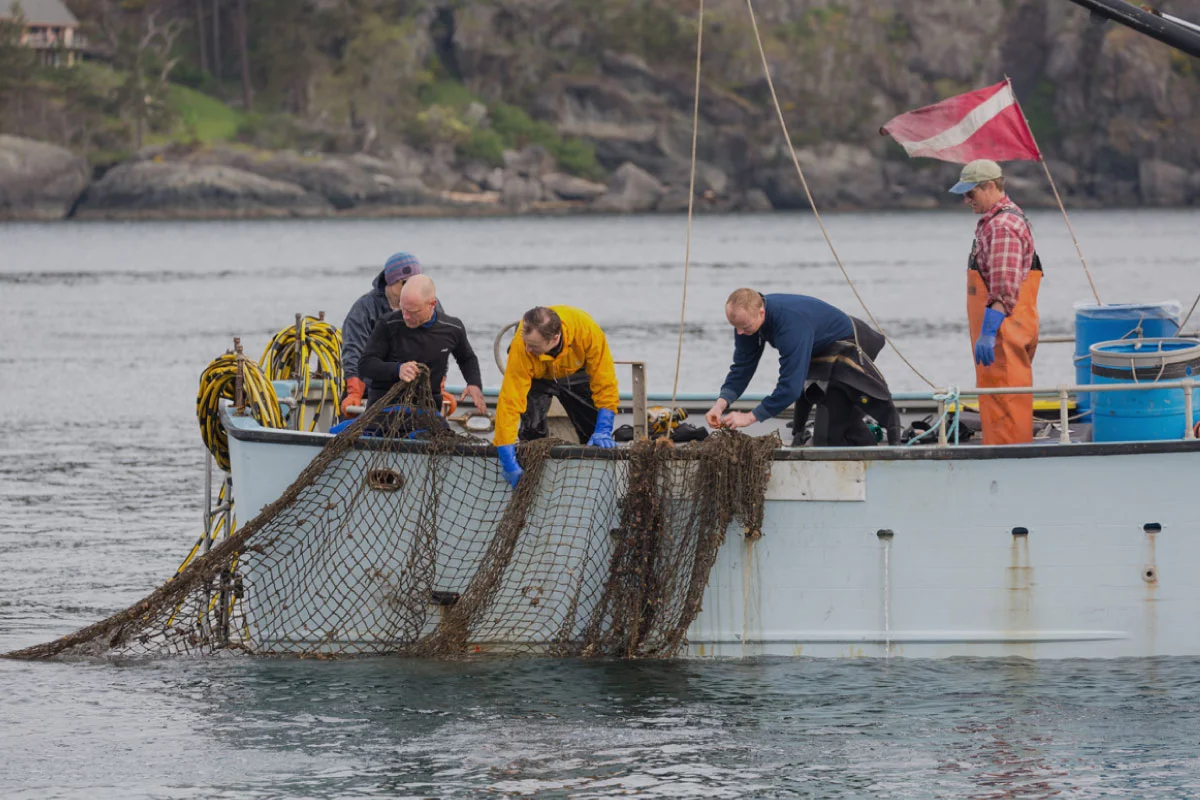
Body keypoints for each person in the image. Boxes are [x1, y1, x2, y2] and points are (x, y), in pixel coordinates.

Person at [704, 289, 901, 447]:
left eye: (745, 327)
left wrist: (750, 417)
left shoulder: (790, 327)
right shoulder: (747, 322)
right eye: (736, 327)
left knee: (833, 428)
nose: (740, 333)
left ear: (761, 312)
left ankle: (879, 459)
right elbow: (742, 367)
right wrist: (721, 404)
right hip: (820, 348)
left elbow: (790, 388)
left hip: (850, 344)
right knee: (830, 422)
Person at [949, 159, 1041, 445]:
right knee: (998, 399)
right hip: (1005, 332)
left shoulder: (1002, 227)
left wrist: (989, 332)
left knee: (1005, 401)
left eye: (971, 193)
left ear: (990, 186)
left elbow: (1004, 288)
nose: (967, 200)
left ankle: (1008, 458)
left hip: (1003, 334)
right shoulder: (997, 221)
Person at [494, 306, 619, 488]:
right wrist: (506, 454)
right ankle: (532, 477)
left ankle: (591, 480)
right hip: (537, 377)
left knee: (592, 428)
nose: (527, 348)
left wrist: (604, 428)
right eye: (526, 343)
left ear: (555, 338)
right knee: (531, 430)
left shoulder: (587, 331)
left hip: (575, 372)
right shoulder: (522, 347)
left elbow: (605, 381)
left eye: (534, 346)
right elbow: (510, 400)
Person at [357, 275, 486, 417]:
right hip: (385, 408)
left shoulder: (452, 328)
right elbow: (365, 365)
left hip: (427, 410)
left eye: (412, 312)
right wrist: (398, 369)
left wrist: (474, 383)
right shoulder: (388, 324)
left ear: (432, 304)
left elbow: (467, 359)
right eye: (403, 309)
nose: (405, 316)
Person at [340, 252, 445, 415]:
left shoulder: (430, 305)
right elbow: (354, 351)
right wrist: (355, 391)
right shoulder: (364, 309)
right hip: (372, 392)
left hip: (417, 392)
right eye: (405, 283)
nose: (412, 288)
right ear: (390, 281)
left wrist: (439, 388)